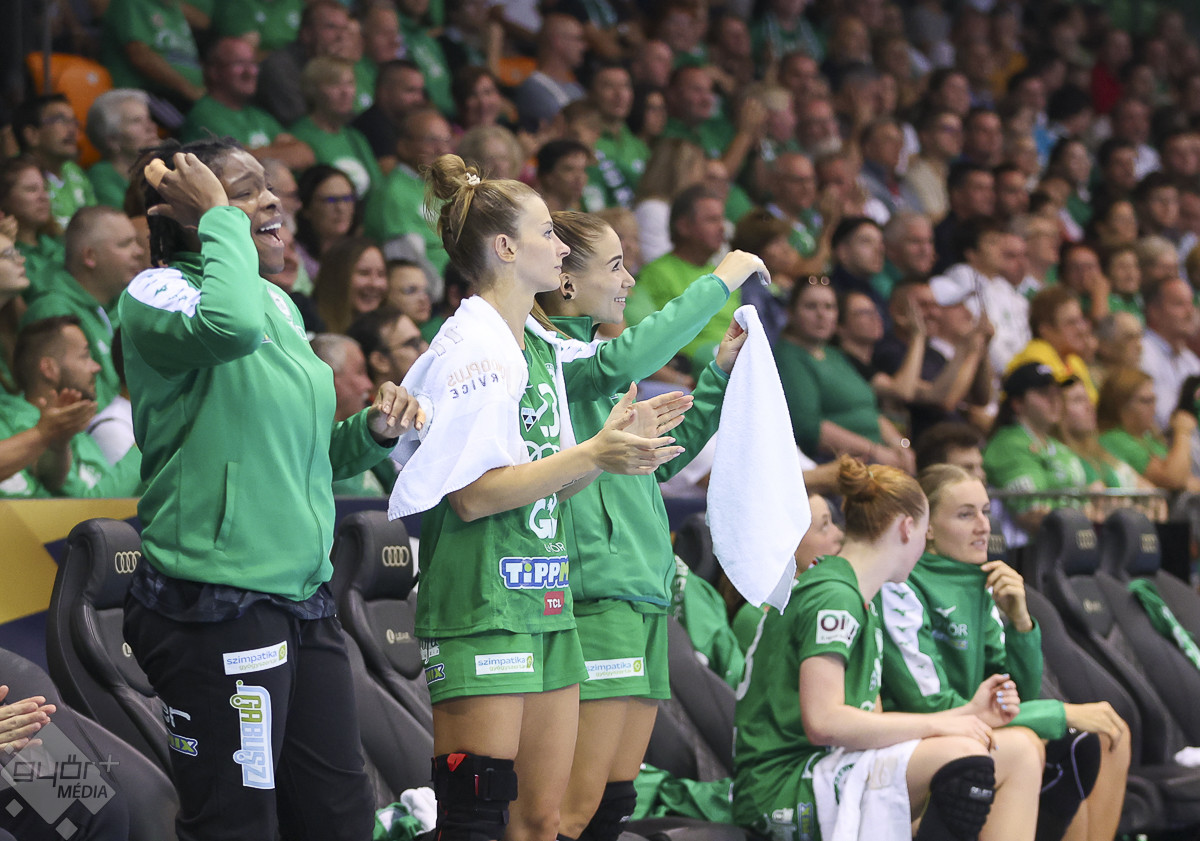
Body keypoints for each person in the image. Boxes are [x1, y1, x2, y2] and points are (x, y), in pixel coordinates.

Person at [118, 137, 422, 840]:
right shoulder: (158, 293)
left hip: (302, 596)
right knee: (238, 822)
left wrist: (372, 431)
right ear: (193, 211)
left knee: (339, 817)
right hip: (216, 601)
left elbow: (309, 457)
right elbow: (228, 328)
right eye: (244, 190)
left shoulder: (279, 305)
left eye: (267, 186)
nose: (271, 200)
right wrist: (216, 219)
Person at [390, 153, 692, 841]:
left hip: (546, 597)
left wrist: (611, 449)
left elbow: (557, 480)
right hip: (483, 599)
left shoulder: (539, 347)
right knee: (476, 818)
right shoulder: (473, 347)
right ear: (506, 248)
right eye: (548, 233)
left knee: (544, 821)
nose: (561, 247)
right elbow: (471, 498)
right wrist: (593, 452)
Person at [533, 210, 762, 840]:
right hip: (596, 596)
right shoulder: (554, 362)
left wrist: (718, 374)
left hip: (644, 594)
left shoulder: (597, 366)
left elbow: (662, 458)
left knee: (612, 802)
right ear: (565, 282)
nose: (629, 281)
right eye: (615, 266)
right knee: (571, 810)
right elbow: (639, 349)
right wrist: (721, 280)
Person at [733, 456, 1042, 841]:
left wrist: (967, 713)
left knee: (1018, 752)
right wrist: (943, 723)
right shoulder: (834, 596)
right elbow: (823, 722)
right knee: (968, 757)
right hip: (785, 783)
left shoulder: (860, 593)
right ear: (908, 528)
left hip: (832, 765)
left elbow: (869, 718)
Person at [880, 464, 1131, 841]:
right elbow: (930, 705)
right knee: (1044, 744)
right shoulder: (901, 586)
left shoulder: (982, 582)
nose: (984, 526)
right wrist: (1060, 713)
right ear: (926, 527)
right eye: (966, 515)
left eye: (986, 512)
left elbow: (1019, 692)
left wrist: (1020, 623)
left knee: (1109, 737)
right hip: (918, 737)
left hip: (972, 724)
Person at [776, 276, 914, 470]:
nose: (822, 315)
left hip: (879, 457)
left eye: (829, 307)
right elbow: (809, 429)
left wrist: (901, 447)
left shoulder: (834, 354)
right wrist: (875, 452)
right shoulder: (788, 357)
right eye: (811, 306)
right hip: (840, 466)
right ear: (790, 313)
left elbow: (870, 411)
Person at [0, 315, 141, 499]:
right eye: (85, 356)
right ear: (49, 369)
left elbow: (63, 491)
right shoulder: (15, 423)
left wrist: (58, 442)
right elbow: (85, 507)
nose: (96, 367)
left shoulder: (75, 431)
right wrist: (145, 447)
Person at [21, 206, 145, 410]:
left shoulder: (115, 304)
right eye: (125, 244)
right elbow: (79, 406)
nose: (139, 252)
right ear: (90, 256)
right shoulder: (53, 311)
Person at [983, 363, 1090, 534]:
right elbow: (1032, 515)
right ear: (1018, 403)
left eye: (1057, 392)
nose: (1055, 400)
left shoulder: (1059, 446)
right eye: (1044, 393)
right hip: (1031, 547)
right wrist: (1085, 515)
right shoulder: (1008, 445)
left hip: (1072, 539)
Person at [179, 37, 315, 172]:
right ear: (214, 71)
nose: (251, 72)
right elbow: (236, 162)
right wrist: (278, 150)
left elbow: (305, 155)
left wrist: (254, 153)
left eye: (253, 63)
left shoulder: (258, 115)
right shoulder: (205, 115)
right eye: (239, 63)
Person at [1097, 366, 1200, 493]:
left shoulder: (1148, 438)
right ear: (1120, 406)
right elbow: (1173, 479)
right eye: (1146, 401)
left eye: (1154, 400)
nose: (1153, 408)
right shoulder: (1115, 439)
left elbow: (1185, 480)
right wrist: (1183, 432)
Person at [85, 89, 161, 209]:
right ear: (112, 140)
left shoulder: (163, 165)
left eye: (149, 119)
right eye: (136, 121)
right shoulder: (101, 177)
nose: (151, 127)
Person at [0, 155, 64, 294]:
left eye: (45, 188)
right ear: (4, 199)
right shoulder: (4, 257)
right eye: (31, 189)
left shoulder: (59, 242)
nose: (44, 197)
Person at [294, 164, 360, 281]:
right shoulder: (293, 256)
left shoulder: (363, 255)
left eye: (347, 199)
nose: (340, 208)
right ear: (306, 208)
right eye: (331, 200)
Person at [312, 237, 387, 334]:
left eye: (381, 274)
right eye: (364, 273)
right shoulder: (309, 326)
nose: (375, 284)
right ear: (336, 277)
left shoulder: (390, 332)